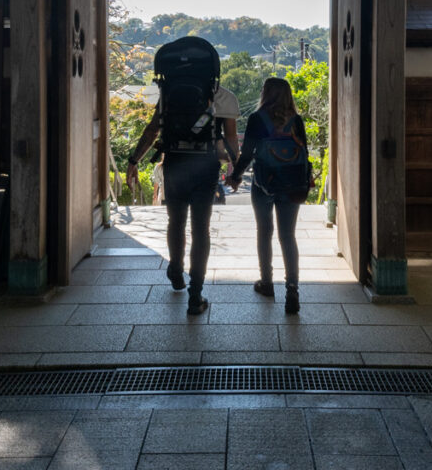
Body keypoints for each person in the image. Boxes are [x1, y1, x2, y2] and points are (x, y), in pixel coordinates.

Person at [127, 80, 238, 316]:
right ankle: (195, 294)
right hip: (205, 166)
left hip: (175, 162)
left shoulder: (170, 95)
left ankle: (176, 269)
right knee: (201, 228)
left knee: (176, 221)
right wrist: (235, 170)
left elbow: (152, 130)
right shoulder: (226, 97)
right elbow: (231, 140)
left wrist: (134, 160)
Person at [226, 77, 310, 314]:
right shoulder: (296, 120)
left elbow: (247, 153)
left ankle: (267, 282)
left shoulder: (257, 118)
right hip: (292, 184)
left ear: (266, 93)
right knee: (288, 236)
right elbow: (304, 152)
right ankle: (292, 289)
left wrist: (236, 176)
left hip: (264, 183)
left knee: (265, 232)